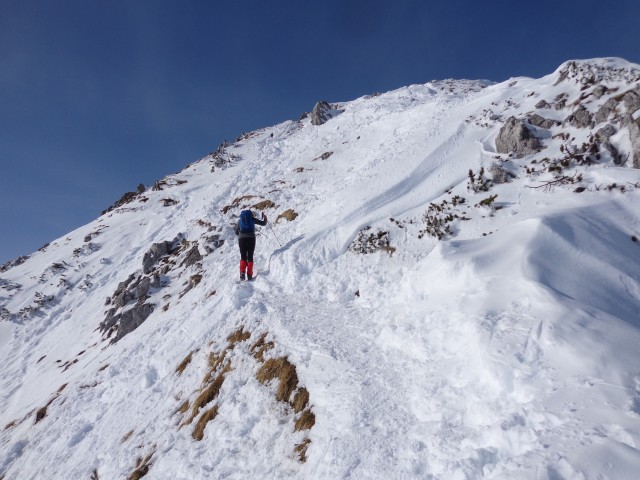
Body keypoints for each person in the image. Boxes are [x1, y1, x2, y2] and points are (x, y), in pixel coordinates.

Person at [235, 209, 267, 280]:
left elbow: (236, 231)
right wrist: (265, 218)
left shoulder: (240, 220)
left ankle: (242, 273)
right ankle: (249, 274)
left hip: (242, 239)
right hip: (251, 239)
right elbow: (263, 223)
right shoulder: (252, 219)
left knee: (243, 257)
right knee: (250, 256)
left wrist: (240, 234)